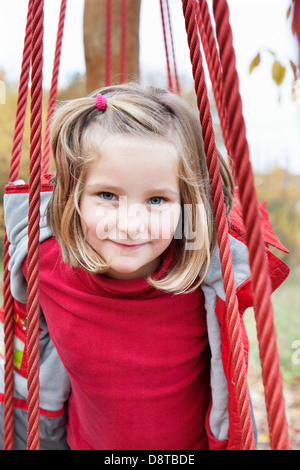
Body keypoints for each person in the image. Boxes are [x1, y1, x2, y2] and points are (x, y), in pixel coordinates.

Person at [0, 83, 289, 450]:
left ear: (185, 205)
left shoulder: (200, 274)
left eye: (156, 199)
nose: (131, 224)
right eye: (107, 195)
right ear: (74, 196)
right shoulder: (45, 265)